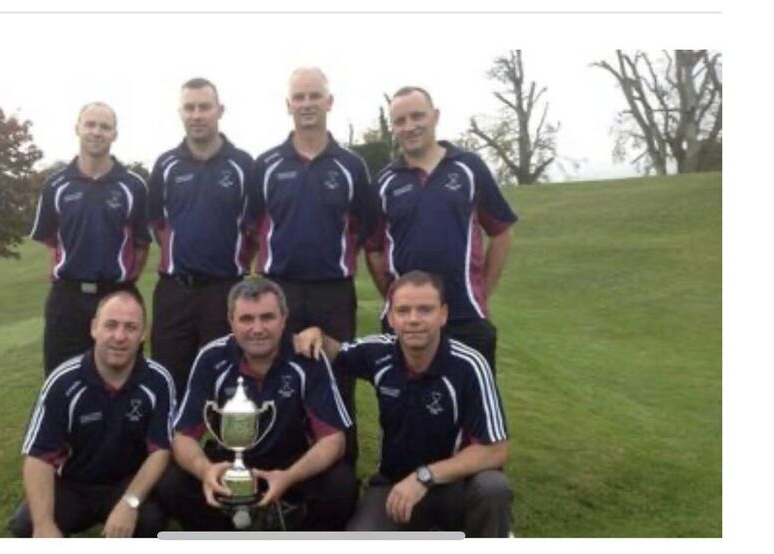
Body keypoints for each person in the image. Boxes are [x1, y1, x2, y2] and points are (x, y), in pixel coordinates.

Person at [294, 270, 512, 537]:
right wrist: (316, 334)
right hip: (393, 484)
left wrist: (424, 476)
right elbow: (337, 352)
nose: (413, 320)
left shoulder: (469, 365)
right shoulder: (379, 353)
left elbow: (495, 451)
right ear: (391, 317)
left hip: (453, 486)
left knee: (493, 487)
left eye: (425, 310)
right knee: (360, 538)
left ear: (443, 315)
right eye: (403, 310)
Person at [247, 66, 378, 466]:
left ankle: (339, 477)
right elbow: (253, 229)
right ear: (288, 105)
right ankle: (271, 469)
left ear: (329, 102)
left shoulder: (352, 166)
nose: (306, 104)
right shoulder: (266, 164)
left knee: (336, 379)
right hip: (278, 288)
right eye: (299, 97)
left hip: (332, 292)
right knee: (273, 376)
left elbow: (366, 231)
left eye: (314, 96)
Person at [154, 277, 357, 531]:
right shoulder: (211, 357)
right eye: (246, 319)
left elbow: (333, 440)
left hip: (290, 462)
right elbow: (183, 436)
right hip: (228, 463)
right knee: (171, 483)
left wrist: (288, 477)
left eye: (267, 317)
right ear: (231, 321)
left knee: (341, 485)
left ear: (284, 318)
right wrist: (206, 471)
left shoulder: (307, 357)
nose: (258, 328)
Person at [365, 86, 518, 372]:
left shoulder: (469, 167)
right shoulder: (384, 181)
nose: (409, 127)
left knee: (472, 411)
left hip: (465, 317)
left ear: (435, 116)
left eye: (417, 116)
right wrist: (394, 295)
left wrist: (482, 291)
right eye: (400, 121)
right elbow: (372, 249)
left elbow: (501, 232)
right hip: (405, 322)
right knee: (408, 411)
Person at [9, 289, 177, 538]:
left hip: (126, 483)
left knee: (149, 522)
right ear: (94, 328)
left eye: (131, 328)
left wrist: (129, 504)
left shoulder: (158, 380)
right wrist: (44, 525)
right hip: (74, 485)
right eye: (111, 325)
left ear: (143, 335)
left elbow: (160, 451)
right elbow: (38, 456)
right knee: (27, 525)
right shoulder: (63, 381)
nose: (119, 336)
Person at [147, 78, 255, 395]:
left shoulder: (243, 164)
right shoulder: (166, 164)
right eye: (190, 108)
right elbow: (157, 224)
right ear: (181, 112)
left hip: (225, 291)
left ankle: (225, 445)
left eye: (204, 107)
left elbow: (254, 230)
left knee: (227, 382)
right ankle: (171, 445)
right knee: (169, 380)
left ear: (219, 110)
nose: (197, 115)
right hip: (174, 291)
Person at [29, 102, 151, 375]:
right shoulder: (56, 185)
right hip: (67, 299)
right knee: (61, 378)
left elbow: (141, 246)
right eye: (90, 125)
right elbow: (52, 241)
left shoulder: (133, 186)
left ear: (114, 134)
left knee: (123, 378)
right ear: (78, 128)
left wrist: (120, 283)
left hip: (117, 294)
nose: (97, 132)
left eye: (105, 127)